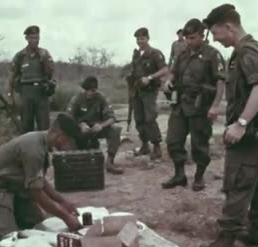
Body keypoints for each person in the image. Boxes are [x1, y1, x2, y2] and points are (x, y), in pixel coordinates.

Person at [198, 4, 258, 247]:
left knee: (238, 183)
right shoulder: (247, 50)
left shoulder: (247, 50)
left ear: (228, 26)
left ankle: (225, 242)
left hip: (252, 131)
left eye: (215, 32)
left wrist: (241, 123)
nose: (215, 38)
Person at [0, 113, 83, 241]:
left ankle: (1, 210)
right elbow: (36, 193)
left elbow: (39, 179)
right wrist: (66, 217)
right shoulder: (34, 149)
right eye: (69, 140)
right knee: (7, 236)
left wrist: (62, 202)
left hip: (11, 186)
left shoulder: (42, 142)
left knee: (35, 221)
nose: (69, 145)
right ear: (59, 135)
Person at [162, 18, 226, 191]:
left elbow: (221, 82)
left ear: (202, 36)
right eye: (187, 38)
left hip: (200, 105)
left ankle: (199, 177)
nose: (189, 41)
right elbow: (173, 72)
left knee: (200, 143)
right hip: (181, 104)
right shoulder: (182, 53)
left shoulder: (212, 54)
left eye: (193, 38)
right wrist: (169, 81)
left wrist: (215, 106)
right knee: (173, 140)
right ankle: (179, 175)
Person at [66, 76, 124, 174]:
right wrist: (80, 125)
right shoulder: (77, 99)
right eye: (89, 91)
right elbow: (67, 118)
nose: (91, 93)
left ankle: (110, 162)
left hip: (97, 128)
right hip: (81, 129)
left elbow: (112, 118)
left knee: (115, 130)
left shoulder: (101, 98)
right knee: (69, 133)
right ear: (85, 90)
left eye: (94, 91)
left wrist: (101, 126)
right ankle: (73, 160)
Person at [128, 27, 168, 160]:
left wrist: (150, 78)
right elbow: (134, 71)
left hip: (149, 91)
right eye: (138, 39)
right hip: (137, 90)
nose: (140, 41)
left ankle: (157, 147)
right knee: (139, 119)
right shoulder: (136, 54)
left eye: (142, 39)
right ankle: (145, 145)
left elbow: (164, 69)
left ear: (148, 38)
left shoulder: (155, 53)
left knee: (150, 118)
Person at [7, 25, 56, 133]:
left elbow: (50, 74)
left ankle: (44, 149)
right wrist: (10, 96)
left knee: (44, 127)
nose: (35, 41)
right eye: (32, 38)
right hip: (26, 92)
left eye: (37, 38)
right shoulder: (20, 56)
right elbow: (12, 76)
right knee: (26, 126)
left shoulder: (45, 53)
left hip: (41, 92)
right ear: (27, 39)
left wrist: (44, 60)